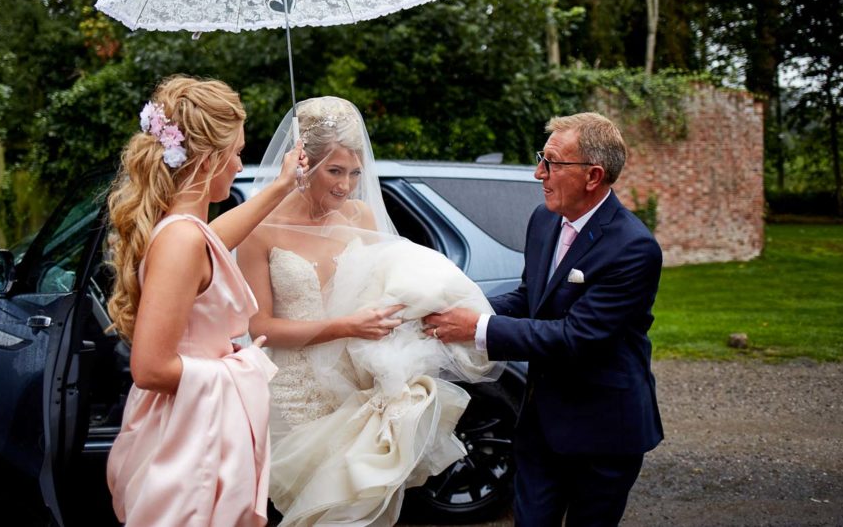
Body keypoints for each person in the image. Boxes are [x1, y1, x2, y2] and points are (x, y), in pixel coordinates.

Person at [237, 96, 502, 527]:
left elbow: (388, 284)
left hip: (357, 386)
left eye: (355, 173)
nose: (346, 186)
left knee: (360, 505)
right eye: (334, 171)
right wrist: (343, 325)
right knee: (313, 509)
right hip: (294, 395)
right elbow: (260, 327)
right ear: (304, 164)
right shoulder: (259, 230)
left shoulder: (361, 216)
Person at [424, 112, 664, 527]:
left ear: (593, 176)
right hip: (540, 423)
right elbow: (530, 297)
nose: (539, 173)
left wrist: (476, 328)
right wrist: (464, 308)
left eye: (551, 162)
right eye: (542, 158)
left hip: (604, 432)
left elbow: (578, 338)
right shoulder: (544, 220)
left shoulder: (634, 248)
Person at [104, 75, 306, 527]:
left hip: (194, 421)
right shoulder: (180, 241)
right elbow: (150, 368)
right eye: (235, 153)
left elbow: (214, 241)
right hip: (186, 439)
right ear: (210, 160)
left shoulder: (187, 232)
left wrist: (282, 186)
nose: (239, 165)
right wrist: (242, 368)